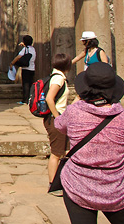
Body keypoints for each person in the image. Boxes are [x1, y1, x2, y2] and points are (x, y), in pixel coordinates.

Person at [54, 62, 124, 224]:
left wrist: (76, 103)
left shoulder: (74, 113)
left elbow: (59, 125)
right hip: (116, 187)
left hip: (78, 185)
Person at [43, 53, 71, 188]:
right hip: (56, 119)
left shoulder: (55, 75)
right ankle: (52, 184)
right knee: (56, 153)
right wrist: (58, 117)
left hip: (57, 118)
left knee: (65, 151)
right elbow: (49, 98)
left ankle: (62, 180)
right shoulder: (59, 79)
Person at [9, 35, 36, 104]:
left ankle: (25, 100)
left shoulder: (25, 49)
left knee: (25, 85)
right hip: (32, 69)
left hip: (26, 69)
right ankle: (30, 99)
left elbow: (18, 57)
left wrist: (12, 63)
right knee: (30, 84)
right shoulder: (33, 49)